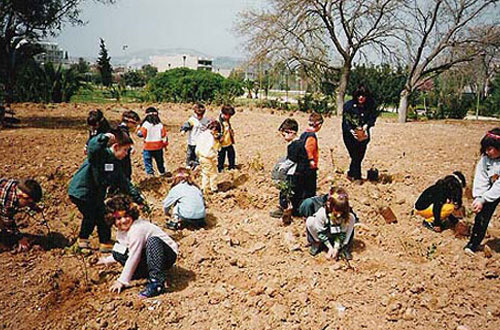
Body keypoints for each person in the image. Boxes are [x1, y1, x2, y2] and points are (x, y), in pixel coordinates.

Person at [68, 129, 144, 253]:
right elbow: (93, 148)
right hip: (82, 192)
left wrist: (138, 199)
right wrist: (103, 137)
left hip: (94, 195)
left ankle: (104, 242)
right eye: (125, 150)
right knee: (91, 216)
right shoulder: (100, 156)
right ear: (116, 147)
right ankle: (82, 242)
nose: (126, 154)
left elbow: (124, 183)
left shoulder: (114, 164)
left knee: (103, 215)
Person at [98, 195, 178, 298]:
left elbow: (134, 255)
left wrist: (122, 281)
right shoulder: (121, 231)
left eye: (126, 216)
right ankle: (142, 273)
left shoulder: (137, 229)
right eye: (118, 218)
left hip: (166, 255)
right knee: (117, 251)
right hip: (149, 255)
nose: (123, 221)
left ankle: (156, 282)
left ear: (132, 214)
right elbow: (123, 249)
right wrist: (105, 261)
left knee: (153, 241)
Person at [465, 128, 500, 254]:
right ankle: (473, 244)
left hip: (497, 187)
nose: (487, 152)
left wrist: (484, 198)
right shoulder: (485, 159)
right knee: (482, 215)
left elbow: (499, 187)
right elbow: (481, 178)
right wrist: (480, 197)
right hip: (492, 188)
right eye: (485, 149)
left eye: (490, 148)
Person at [306, 187, 356, 260]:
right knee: (310, 221)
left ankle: (344, 246)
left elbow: (342, 233)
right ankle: (317, 243)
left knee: (351, 218)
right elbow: (320, 232)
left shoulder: (346, 215)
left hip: (337, 235)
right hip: (325, 234)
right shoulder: (322, 213)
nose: (339, 214)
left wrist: (336, 247)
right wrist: (329, 247)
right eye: (337, 210)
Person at [342, 85, 378, 181]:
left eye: (363, 96)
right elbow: (345, 121)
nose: (361, 98)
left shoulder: (370, 105)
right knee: (355, 155)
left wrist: (367, 126)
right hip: (349, 135)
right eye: (359, 96)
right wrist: (351, 130)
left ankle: (351, 173)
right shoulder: (348, 106)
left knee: (360, 155)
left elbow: (372, 118)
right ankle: (357, 177)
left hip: (364, 134)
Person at [269, 118, 301, 224]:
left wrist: (281, 168)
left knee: (285, 191)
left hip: (293, 173)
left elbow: (291, 161)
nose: (284, 138)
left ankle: (284, 209)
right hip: (296, 172)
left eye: (284, 135)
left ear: (291, 132)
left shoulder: (294, 145)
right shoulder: (298, 142)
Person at [0, 178, 43, 251]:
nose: (27, 205)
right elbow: (7, 221)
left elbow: (26, 199)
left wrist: (33, 206)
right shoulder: (8, 200)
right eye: (28, 203)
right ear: (21, 196)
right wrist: (20, 238)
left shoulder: (19, 187)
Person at [295, 112, 323, 204]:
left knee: (301, 189)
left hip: (301, 166)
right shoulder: (311, 136)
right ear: (319, 125)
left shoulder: (304, 134)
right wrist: (311, 161)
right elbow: (308, 148)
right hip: (308, 168)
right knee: (309, 191)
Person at [137, 107, 168, 177]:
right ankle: (162, 172)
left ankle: (150, 174)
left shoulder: (146, 124)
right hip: (158, 146)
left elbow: (140, 134)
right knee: (159, 161)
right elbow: (164, 136)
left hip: (148, 146)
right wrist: (165, 145)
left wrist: (138, 129)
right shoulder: (160, 125)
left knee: (148, 161)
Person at [180, 103, 210, 169]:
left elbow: (209, 127)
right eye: (198, 115)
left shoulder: (206, 120)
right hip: (192, 141)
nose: (199, 117)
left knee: (198, 155)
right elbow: (186, 125)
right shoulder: (192, 120)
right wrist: (183, 131)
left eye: (201, 115)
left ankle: (196, 165)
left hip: (201, 142)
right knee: (190, 154)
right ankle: (188, 164)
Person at [196, 120, 222, 193]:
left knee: (205, 173)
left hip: (201, 157)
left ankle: (204, 188)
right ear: (214, 129)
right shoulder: (210, 137)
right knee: (213, 174)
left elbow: (197, 147)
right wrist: (214, 156)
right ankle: (214, 188)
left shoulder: (202, 134)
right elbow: (210, 149)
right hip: (207, 157)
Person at [118, 110, 141, 180]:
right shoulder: (122, 130)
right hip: (122, 157)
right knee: (125, 172)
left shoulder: (119, 129)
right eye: (135, 124)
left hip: (120, 156)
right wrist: (131, 147)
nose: (135, 126)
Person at [217, 105, 236, 172]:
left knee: (232, 155)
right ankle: (220, 168)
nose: (230, 117)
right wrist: (219, 137)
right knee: (221, 157)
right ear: (224, 114)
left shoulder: (226, 120)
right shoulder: (218, 122)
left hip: (228, 142)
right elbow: (215, 133)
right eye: (229, 116)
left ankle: (232, 167)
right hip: (221, 144)